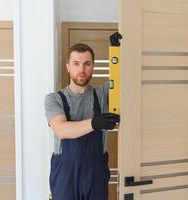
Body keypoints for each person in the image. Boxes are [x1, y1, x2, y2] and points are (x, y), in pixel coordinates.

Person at [44, 43, 120, 200]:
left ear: (93, 66)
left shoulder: (103, 94)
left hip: (96, 170)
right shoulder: (54, 99)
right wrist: (94, 123)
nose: (81, 70)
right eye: (76, 63)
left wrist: (117, 50)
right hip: (66, 173)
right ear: (68, 67)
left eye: (87, 63)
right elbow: (62, 130)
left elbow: (125, 77)